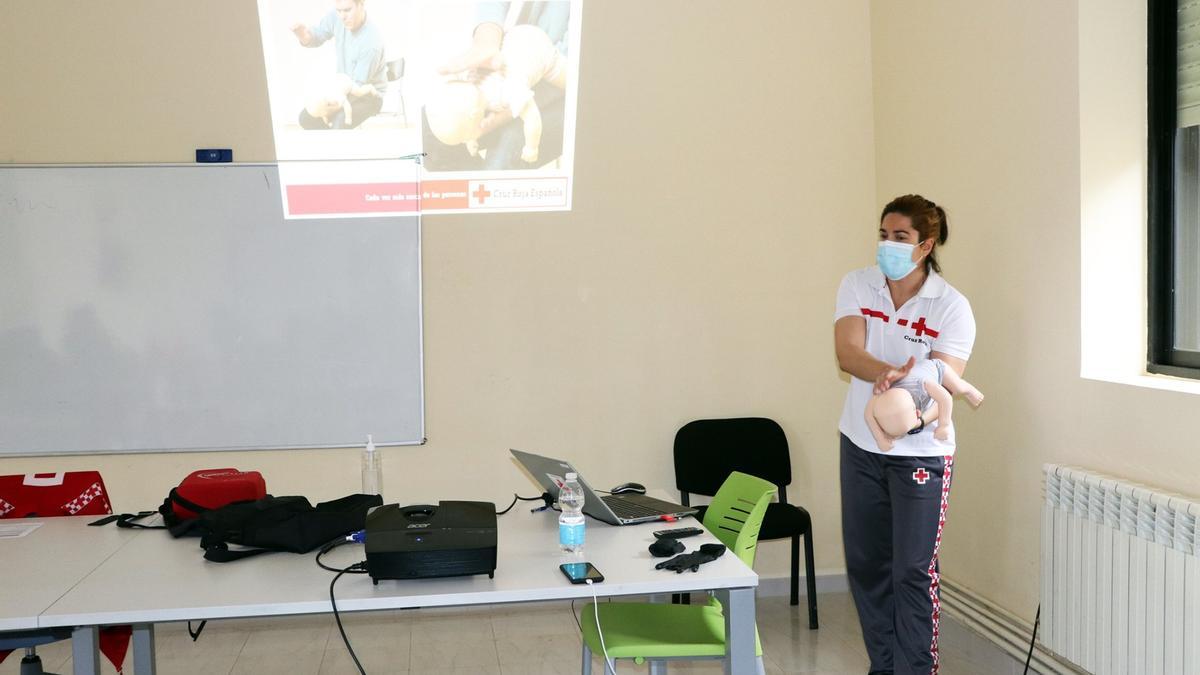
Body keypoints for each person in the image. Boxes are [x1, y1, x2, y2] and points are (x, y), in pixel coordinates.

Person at [833, 194, 977, 675]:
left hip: (922, 456)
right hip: (860, 445)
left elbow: (943, 383)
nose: (888, 245)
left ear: (925, 244)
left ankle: (916, 669)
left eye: (901, 237)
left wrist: (900, 397)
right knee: (868, 568)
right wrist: (889, 374)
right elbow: (848, 352)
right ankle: (884, 666)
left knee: (913, 571)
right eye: (883, 234)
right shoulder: (858, 284)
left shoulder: (951, 306)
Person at [423, 1, 570, 170]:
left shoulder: (509, 91)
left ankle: (491, 187)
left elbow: (532, 118)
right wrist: (487, 38)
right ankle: (474, 186)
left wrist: (531, 147)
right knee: (430, 132)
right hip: (517, 42)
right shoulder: (474, 79)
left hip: (552, 62)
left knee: (507, 148)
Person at [291, 0, 387, 130]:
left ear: (361, 5)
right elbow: (317, 35)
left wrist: (331, 104)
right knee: (306, 119)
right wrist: (304, 36)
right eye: (339, 10)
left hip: (367, 95)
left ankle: (338, 146)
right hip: (343, 89)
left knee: (340, 122)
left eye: (347, 10)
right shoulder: (337, 17)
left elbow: (358, 86)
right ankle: (330, 147)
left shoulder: (371, 43)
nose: (342, 16)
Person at [864, 357, 984, 451]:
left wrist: (944, 425)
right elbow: (868, 415)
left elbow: (945, 398)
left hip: (936, 368)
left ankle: (969, 389)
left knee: (957, 387)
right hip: (913, 372)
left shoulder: (922, 385)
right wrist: (880, 438)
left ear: (917, 412)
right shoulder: (881, 394)